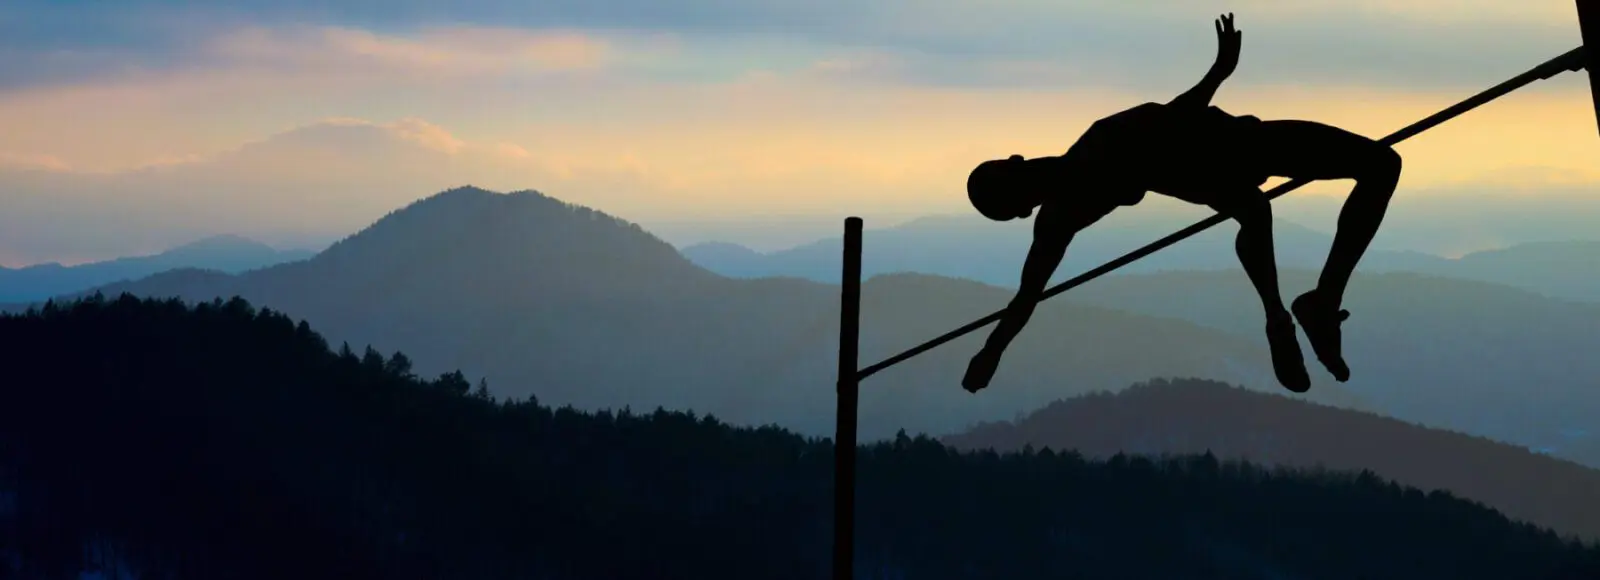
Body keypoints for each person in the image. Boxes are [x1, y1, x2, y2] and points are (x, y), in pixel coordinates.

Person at [960, 13, 1403, 394]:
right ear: (1020, 196)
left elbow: (1026, 297)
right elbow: (1174, 117)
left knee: (1342, 179)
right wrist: (1218, 72)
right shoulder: (1086, 168)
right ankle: (1291, 315)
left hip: (1236, 146)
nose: (1022, 170)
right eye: (1013, 184)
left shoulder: (1068, 199)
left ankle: (1302, 312)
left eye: (1011, 175)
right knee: (1281, 199)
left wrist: (991, 353)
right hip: (1231, 151)